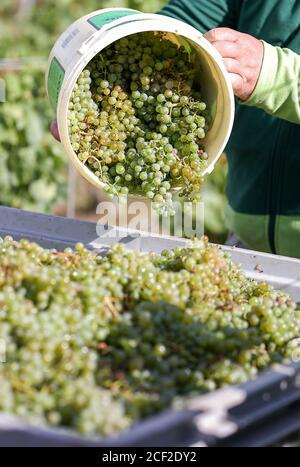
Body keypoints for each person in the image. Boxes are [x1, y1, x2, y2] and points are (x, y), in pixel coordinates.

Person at [52, 0, 300, 257]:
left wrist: (277, 76)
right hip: (247, 235)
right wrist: (129, 39)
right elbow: (195, 14)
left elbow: (278, 76)